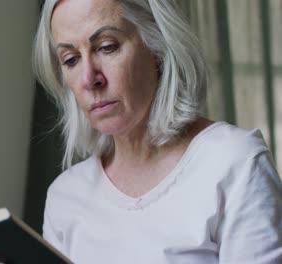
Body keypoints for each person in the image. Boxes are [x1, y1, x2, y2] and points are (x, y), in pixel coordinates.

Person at [32, 0, 282, 263]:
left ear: (158, 47)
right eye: (71, 60)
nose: (89, 78)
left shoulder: (235, 164)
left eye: (107, 47)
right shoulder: (65, 197)